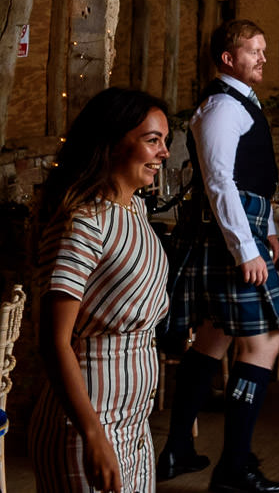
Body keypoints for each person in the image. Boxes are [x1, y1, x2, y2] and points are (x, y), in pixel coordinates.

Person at [162, 20, 279, 493]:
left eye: (263, 49)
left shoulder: (240, 102)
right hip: (228, 240)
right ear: (227, 58)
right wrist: (246, 250)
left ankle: (177, 449)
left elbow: (251, 179)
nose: (262, 58)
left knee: (213, 339)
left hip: (242, 231)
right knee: (264, 343)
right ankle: (234, 468)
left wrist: (270, 230)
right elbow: (220, 183)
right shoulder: (220, 107)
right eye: (253, 51)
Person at [30, 88, 171, 493]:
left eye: (164, 141)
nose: (163, 153)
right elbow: (54, 340)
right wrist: (92, 434)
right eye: (152, 140)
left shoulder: (135, 210)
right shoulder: (84, 222)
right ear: (111, 142)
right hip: (88, 421)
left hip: (134, 420)